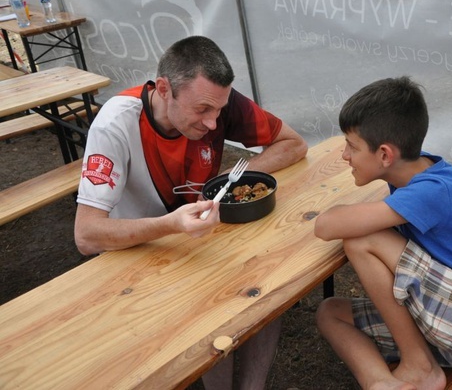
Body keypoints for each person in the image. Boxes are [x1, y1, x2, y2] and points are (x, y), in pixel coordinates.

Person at [74, 35, 308, 390]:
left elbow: (294, 143)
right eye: (202, 111)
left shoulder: (216, 100)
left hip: (196, 239)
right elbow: (87, 236)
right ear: (164, 89)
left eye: (219, 110)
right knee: (207, 315)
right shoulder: (114, 125)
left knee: (268, 289)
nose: (214, 123)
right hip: (136, 254)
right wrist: (170, 224)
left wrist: (232, 180)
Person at [313, 76, 452, 390]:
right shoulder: (416, 172)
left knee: (362, 238)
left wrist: (341, 217)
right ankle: (382, 384)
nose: (345, 155)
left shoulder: (431, 192)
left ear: (385, 155)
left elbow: (325, 226)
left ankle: (419, 366)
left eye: (352, 146)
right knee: (330, 313)